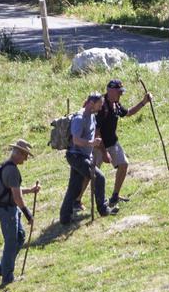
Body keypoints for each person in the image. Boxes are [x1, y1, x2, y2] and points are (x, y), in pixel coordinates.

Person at [0, 139, 41, 285]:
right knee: (11, 242)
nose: (26, 158)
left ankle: (2, 267)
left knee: (19, 236)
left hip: (6, 208)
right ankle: (7, 277)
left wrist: (30, 190)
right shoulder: (12, 170)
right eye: (25, 155)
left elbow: (12, 190)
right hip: (7, 210)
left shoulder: (7, 166)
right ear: (18, 153)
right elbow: (16, 196)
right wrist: (27, 214)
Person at [96, 78, 152, 208]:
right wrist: (103, 152)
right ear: (110, 91)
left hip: (112, 142)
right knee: (90, 173)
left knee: (123, 164)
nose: (121, 94)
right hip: (98, 145)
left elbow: (129, 113)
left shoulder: (116, 104)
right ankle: (77, 201)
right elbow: (96, 131)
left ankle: (115, 196)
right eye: (119, 92)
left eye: (121, 92)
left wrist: (144, 102)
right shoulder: (101, 106)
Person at [61, 92, 114, 224]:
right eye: (99, 105)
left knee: (74, 187)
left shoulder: (92, 116)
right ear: (91, 103)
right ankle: (103, 209)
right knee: (99, 177)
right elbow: (76, 140)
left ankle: (65, 218)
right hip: (76, 156)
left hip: (83, 156)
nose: (101, 107)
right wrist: (91, 143)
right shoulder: (79, 118)